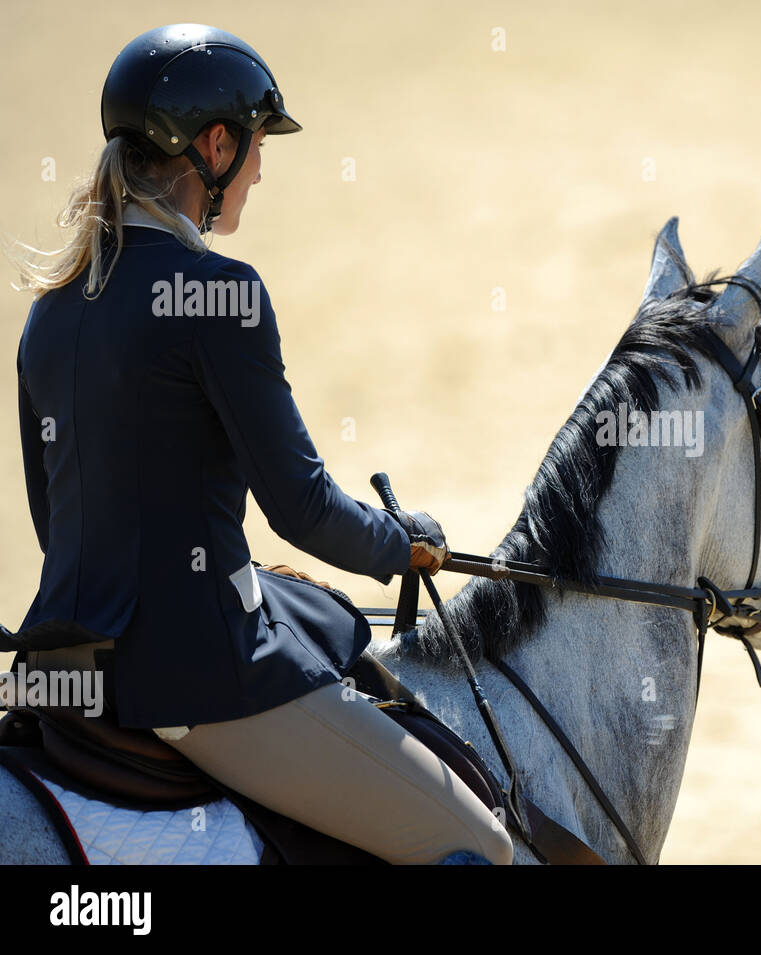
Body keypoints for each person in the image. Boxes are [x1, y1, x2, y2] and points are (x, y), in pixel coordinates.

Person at [4, 23, 513, 865]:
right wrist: (403, 544)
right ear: (214, 146)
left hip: (64, 662)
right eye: (256, 146)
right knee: (478, 843)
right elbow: (301, 507)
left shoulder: (50, 309)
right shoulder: (221, 296)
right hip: (192, 675)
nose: (262, 169)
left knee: (323, 614)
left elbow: (55, 521)